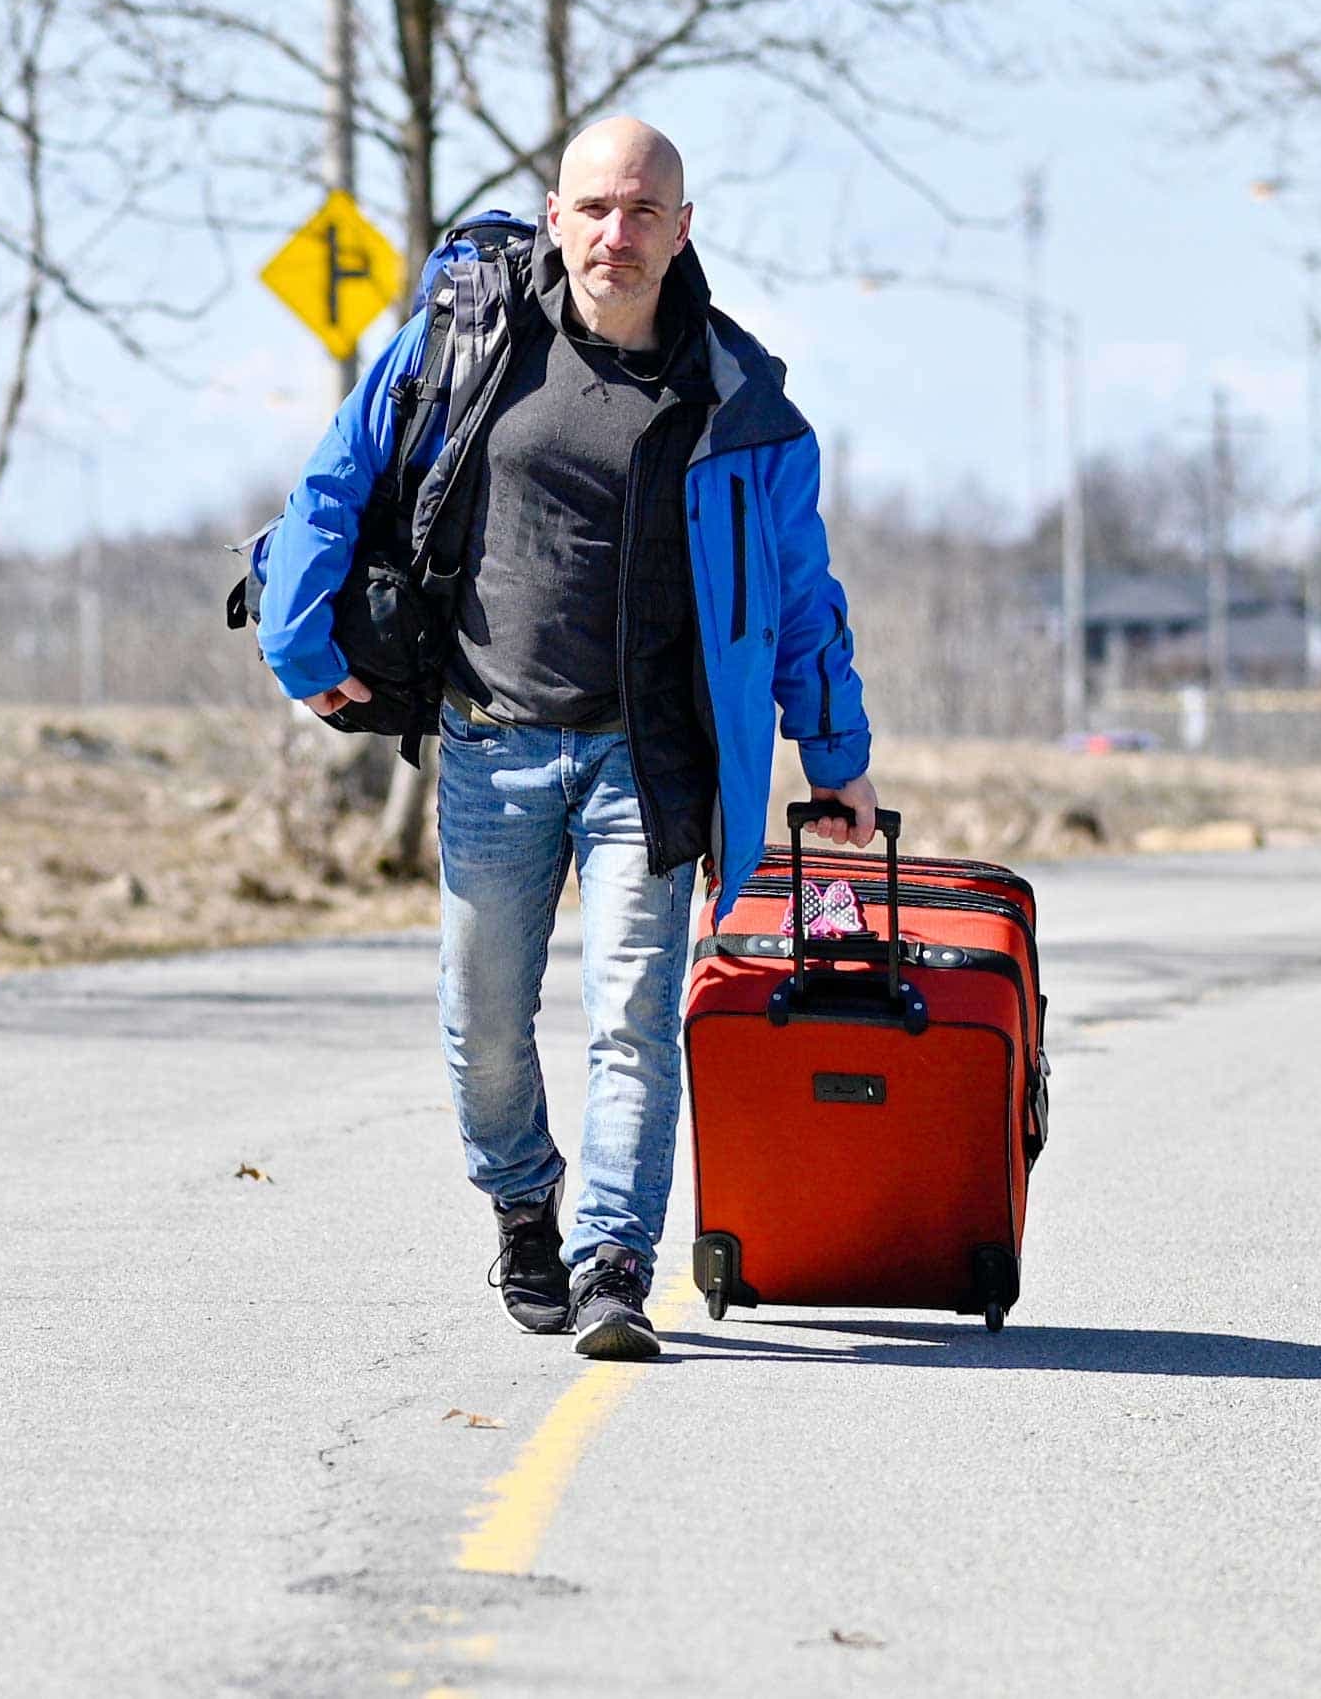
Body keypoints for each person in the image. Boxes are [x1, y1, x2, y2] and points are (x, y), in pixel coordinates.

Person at [258, 117, 877, 1360]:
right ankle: (522, 1203)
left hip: (650, 765)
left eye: (644, 210)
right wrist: (300, 645)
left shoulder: (741, 405)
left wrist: (834, 753)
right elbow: (335, 479)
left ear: (683, 228)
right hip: (490, 743)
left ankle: (612, 1264)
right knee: (482, 1018)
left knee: (630, 1021)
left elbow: (801, 593)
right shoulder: (471, 338)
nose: (617, 232)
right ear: (554, 215)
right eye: (595, 207)